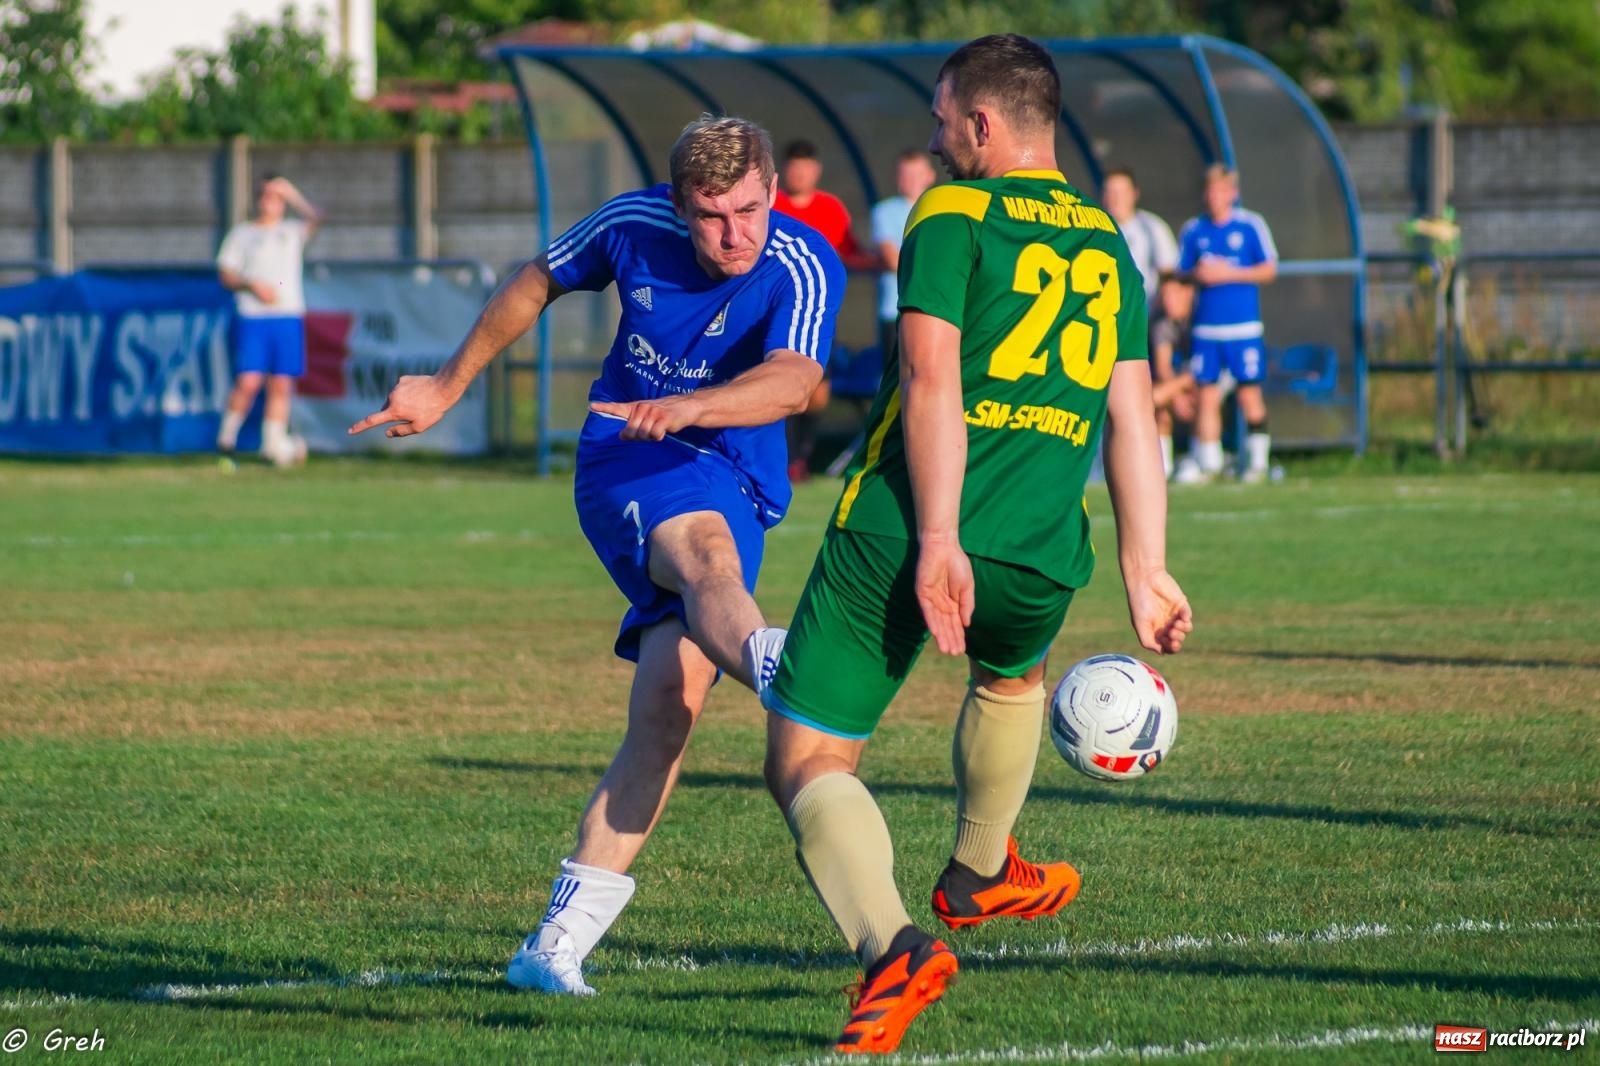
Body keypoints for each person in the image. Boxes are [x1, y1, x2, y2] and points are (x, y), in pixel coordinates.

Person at [759, 35, 1193, 1054]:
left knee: (810, 754)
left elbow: (931, 377)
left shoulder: (950, 211)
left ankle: (894, 947)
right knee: (1009, 678)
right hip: (1044, 547)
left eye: (942, 115)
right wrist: (1146, 567)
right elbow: (1134, 419)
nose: (933, 133)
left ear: (983, 124)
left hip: (904, 526)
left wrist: (939, 536)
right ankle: (980, 870)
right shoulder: (1106, 241)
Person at [348, 116, 845, 996]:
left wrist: (695, 406)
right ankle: (789, 676)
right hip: (629, 455)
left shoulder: (803, 262)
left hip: (736, 470)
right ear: (676, 204)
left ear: (772, 187)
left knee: (670, 705)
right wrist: (446, 385)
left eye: (750, 209)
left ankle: (551, 949)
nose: (735, 234)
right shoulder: (632, 222)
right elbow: (537, 279)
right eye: (710, 216)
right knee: (703, 555)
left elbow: (797, 381)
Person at [774, 139, 876, 481]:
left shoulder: (830, 208)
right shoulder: (772, 205)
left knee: (816, 392)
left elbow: (851, 254)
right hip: (775, 312)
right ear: (785, 170)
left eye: (806, 167)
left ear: (815, 171)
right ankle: (785, 460)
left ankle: (801, 454)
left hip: (816, 315)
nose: (800, 173)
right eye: (794, 167)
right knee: (778, 382)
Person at [1173, 165, 1279, 484]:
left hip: (1243, 328)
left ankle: (1257, 463)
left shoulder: (1250, 225)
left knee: (1249, 394)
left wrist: (1228, 273)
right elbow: (1182, 273)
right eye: (1209, 191)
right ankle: (1209, 463)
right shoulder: (1194, 230)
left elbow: (1269, 270)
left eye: (1221, 191)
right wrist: (1197, 275)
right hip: (1206, 329)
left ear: (1232, 193)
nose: (1214, 197)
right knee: (1206, 395)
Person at [216, 175, 323, 466]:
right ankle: (226, 441)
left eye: (276, 196)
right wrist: (252, 285)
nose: (269, 201)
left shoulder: (291, 231)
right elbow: (225, 274)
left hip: (287, 317)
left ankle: (271, 446)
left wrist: (291, 192)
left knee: (280, 385)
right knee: (249, 381)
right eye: (266, 195)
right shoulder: (242, 234)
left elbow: (318, 217)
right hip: (254, 317)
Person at [870, 150, 939, 361]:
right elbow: (893, 260)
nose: (909, 181)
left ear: (930, 176)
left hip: (935, 309)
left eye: (915, 174)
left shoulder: (943, 208)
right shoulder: (884, 211)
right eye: (904, 174)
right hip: (895, 309)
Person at [1100, 167, 1178, 317]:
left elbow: (1169, 273)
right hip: (1109, 319)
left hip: (1146, 317)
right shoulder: (1096, 231)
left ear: (1135, 194)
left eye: (1122, 193)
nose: (1116, 199)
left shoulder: (1152, 227)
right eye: (1111, 192)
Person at [1150, 275, 1198, 477]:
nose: (1168, 300)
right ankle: (1163, 469)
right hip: (1181, 387)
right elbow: (1163, 366)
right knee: (1158, 408)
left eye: (1173, 294)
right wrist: (1177, 395)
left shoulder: (1202, 318)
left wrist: (1180, 387)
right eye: (1165, 295)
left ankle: (1205, 463)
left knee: (1207, 397)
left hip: (1209, 382)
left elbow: (1203, 370)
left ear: (1189, 292)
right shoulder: (1162, 324)